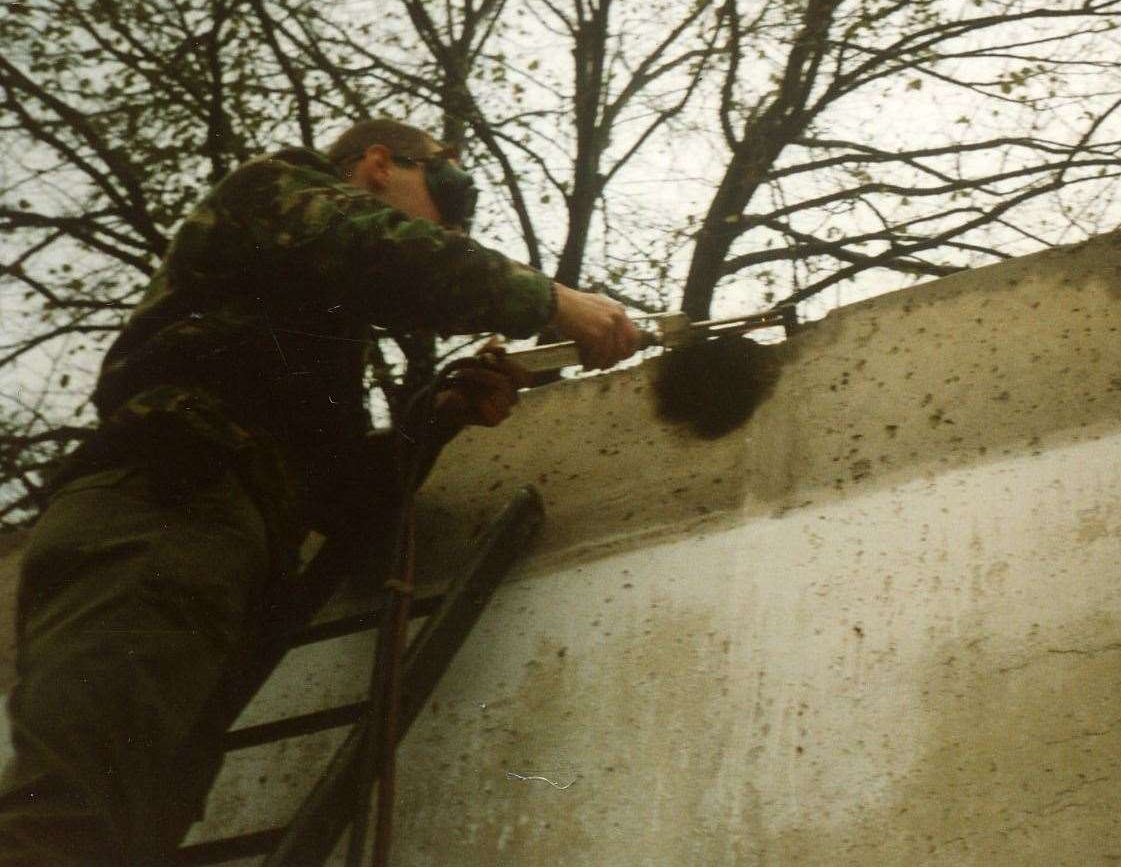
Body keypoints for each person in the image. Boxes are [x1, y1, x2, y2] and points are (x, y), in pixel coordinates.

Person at [0, 119, 643, 865]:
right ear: (376, 165)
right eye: (447, 189)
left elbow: (340, 505)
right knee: (71, 815)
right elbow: (388, 252)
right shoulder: (274, 191)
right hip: (160, 507)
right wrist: (554, 300)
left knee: (131, 831)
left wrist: (437, 419)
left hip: (222, 549)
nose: (456, 224)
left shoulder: (309, 333)